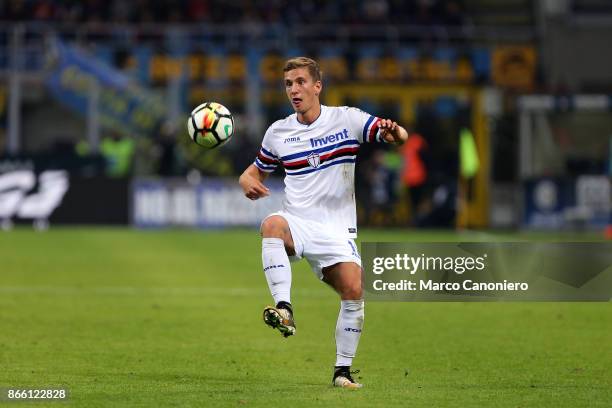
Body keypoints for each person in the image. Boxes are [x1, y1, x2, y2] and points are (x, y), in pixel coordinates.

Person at [238, 57, 408, 389]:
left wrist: (394, 131)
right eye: (288, 84)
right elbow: (253, 171)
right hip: (298, 220)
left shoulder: (347, 120)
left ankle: (342, 372)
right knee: (271, 224)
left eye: (300, 82)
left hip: (335, 230)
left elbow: (397, 137)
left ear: (318, 86)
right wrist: (246, 180)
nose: (294, 90)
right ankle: (284, 308)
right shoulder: (279, 132)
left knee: (354, 291)